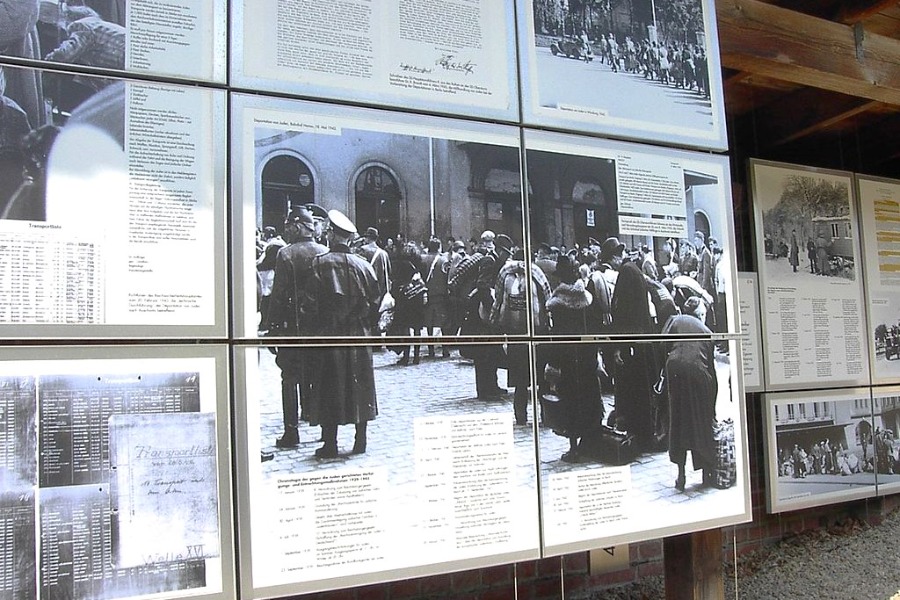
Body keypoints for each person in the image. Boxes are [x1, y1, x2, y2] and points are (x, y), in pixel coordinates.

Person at [305, 210, 382, 458]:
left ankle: (330, 443)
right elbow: (376, 301)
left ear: (330, 234)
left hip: (329, 333)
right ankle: (361, 440)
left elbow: (309, 304)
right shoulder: (365, 266)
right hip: (359, 334)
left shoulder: (319, 264)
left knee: (329, 384)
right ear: (350, 239)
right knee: (361, 384)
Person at [266, 208, 328, 448]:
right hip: (319, 329)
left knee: (289, 379)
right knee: (319, 376)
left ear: (301, 226)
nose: (287, 229)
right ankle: (324, 428)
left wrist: (272, 328)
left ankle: (291, 433)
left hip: (292, 329)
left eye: (290, 225)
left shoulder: (286, 254)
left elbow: (278, 296)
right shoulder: (324, 251)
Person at [545, 255, 602, 462]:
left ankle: (574, 448)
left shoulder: (557, 303)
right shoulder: (586, 298)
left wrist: (553, 365)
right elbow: (594, 329)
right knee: (589, 397)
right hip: (586, 357)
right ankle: (590, 442)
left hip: (568, 360)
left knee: (570, 401)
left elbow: (556, 337)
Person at [662, 296, 718, 491]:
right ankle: (706, 474)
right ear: (699, 314)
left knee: (678, 421)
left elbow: (663, 345)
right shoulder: (707, 331)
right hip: (698, 373)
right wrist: (712, 409)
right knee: (700, 422)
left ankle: (681, 476)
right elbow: (711, 370)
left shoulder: (674, 320)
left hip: (675, 369)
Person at [43, 6, 126, 88]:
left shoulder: (83, 25)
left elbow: (64, 55)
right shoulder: (103, 27)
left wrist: (42, 66)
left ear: (69, 16)